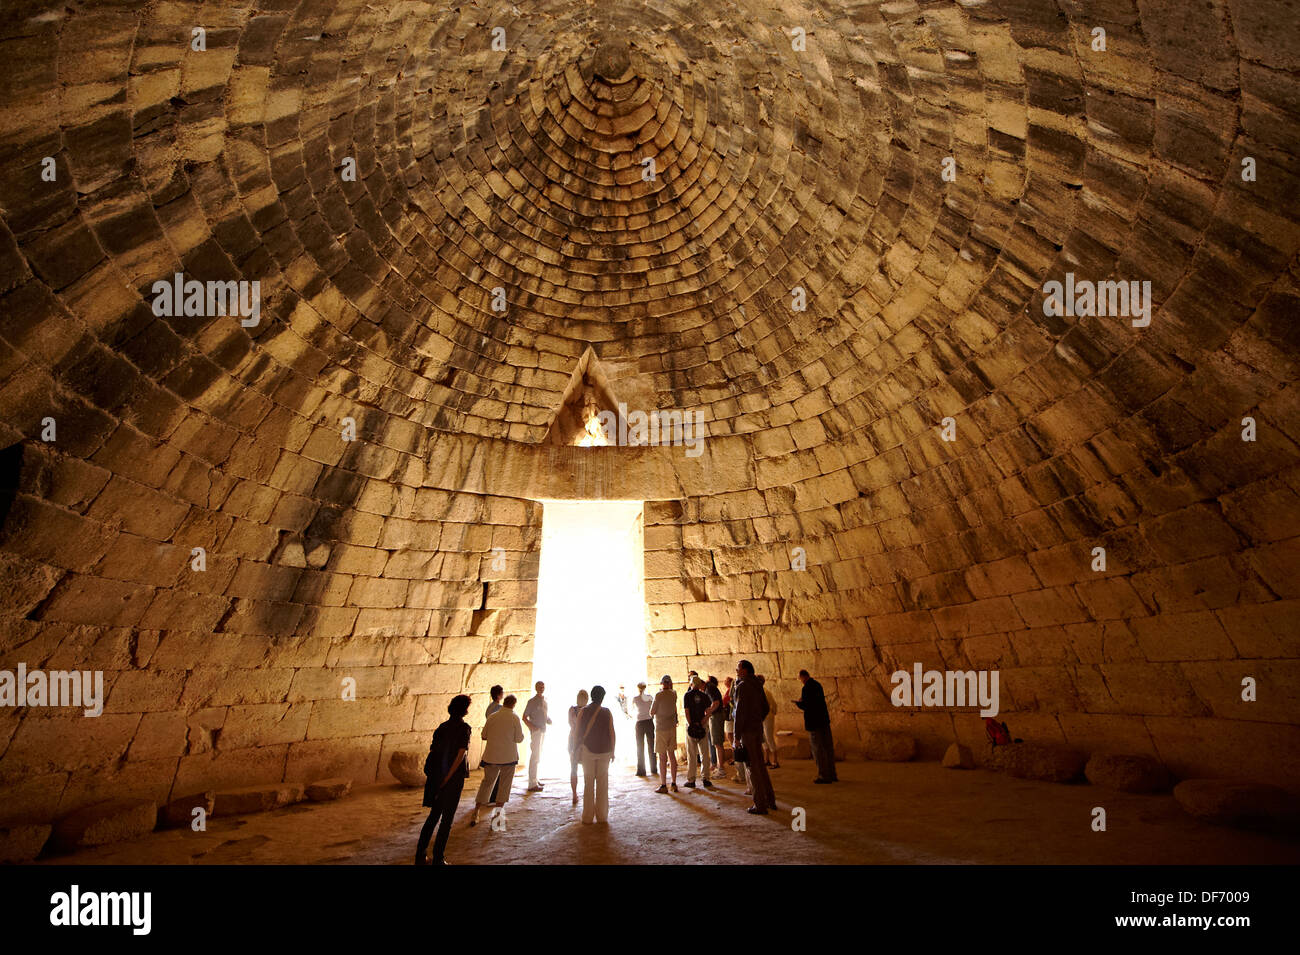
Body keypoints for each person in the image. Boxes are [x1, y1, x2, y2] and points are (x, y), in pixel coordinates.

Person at [417, 694, 471, 864]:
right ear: (465, 710)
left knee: (433, 817)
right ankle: (438, 858)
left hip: (437, 777)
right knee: (446, 821)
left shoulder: (442, 727)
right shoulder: (464, 728)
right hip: (452, 780)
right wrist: (447, 778)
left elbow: (433, 752)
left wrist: (438, 778)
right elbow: (460, 755)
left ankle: (420, 856)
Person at [471, 694, 524, 826]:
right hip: (508, 757)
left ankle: (476, 811)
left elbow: (484, 736)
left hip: (491, 756)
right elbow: (519, 738)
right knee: (504, 785)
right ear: (514, 704)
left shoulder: (492, 716)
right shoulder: (514, 718)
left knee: (487, 783)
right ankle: (497, 815)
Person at [733, 660, 775, 814]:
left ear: (744, 670)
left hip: (747, 732)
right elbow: (766, 707)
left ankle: (760, 804)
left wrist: (737, 736)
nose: (736, 671)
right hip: (757, 729)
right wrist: (757, 721)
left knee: (752, 767)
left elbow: (740, 713)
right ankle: (770, 800)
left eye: (738, 668)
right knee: (761, 766)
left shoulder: (742, 686)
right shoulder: (757, 684)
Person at [575, 685, 617, 823]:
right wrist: (613, 750)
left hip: (588, 750)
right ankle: (602, 816)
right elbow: (611, 732)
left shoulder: (583, 711)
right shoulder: (607, 712)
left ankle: (587, 817)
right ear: (602, 697)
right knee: (602, 783)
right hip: (605, 751)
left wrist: (576, 749)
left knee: (588, 783)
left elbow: (578, 732)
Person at [795, 669, 836, 783]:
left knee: (818, 749)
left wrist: (799, 703)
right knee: (828, 747)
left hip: (814, 722)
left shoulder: (806, 688)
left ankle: (823, 775)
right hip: (823, 720)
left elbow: (808, 705)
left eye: (800, 679)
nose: (801, 681)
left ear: (803, 677)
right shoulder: (817, 685)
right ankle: (832, 774)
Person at [682, 676, 716, 790]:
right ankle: (706, 778)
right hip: (703, 726)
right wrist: (702, 722)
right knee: (704, 753)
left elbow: (687, 712)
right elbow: (708, 712)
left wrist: (692, 724)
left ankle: (691, 780)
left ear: (691, 684)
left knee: (692, 754)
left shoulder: (687, 695)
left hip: (692, 726)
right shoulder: (704, 695)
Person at [650, 675, 679, 793]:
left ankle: (663, 785)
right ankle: (674, 783)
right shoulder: (674, 694)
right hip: (672, 728)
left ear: (662, 683)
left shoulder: (658, 695)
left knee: (662, 757)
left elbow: (652, 711)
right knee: (672, 756)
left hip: (661, 728)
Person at [522, 681, 551, 791]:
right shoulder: (532, 702)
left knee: (538, 756)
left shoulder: (544, 701)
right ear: (536, 688)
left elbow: (544, 714)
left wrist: (548, 720)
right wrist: (532, 727)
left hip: (543, 730)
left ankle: (535, 778)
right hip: (536, 732)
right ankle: (532, 783)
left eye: (543, 686)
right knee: (535, 756)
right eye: (539, 686)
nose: (541, 688)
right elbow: (524, 717)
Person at [567, 689, 590, 804]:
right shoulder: (588, 711)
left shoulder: (572, 710)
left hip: (572, 739)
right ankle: (587, 793)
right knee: (587, 768)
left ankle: (574, 794)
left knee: (573, 767)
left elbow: (571, 724)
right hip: (585, 740)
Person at [483, 684, 505, 803]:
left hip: (491, 742)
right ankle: (493, 796)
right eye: (502, 693)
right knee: (498, 771)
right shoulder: (500, 709)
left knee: (490, 772)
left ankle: (487, 796)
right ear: (498, 695)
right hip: (499, 742)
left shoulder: (489, 707)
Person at [631, 681, 657, 776]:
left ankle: (641, 770)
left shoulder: (635, 699)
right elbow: (654, 710)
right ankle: (654, 768)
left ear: (638, 688)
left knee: (640, 746)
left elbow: (632, 710)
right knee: (651, 746)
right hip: (649, 722)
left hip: (639, 722)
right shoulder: (650, 698)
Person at [705, 675, 727, 778]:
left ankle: (721, 769)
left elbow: (716, 703)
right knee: (716, 742)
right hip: (715, 716)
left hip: (716, 716)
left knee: (717, 743)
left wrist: (708, 712)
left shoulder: (709, 688)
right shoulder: (709, 688)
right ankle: (719, 767)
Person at [758, 674, 780, 769]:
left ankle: (775, 760)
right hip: (762, 717)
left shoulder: (765, 692)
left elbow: (773, 705)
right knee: (763, 738)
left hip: (767, 717)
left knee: (769, 737)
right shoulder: (759, 692)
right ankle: (766, 759)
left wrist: (772, 713)